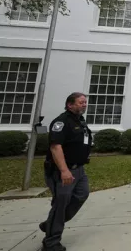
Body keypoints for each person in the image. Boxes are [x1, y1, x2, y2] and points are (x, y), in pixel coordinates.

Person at [40, 92, 92, 251]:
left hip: (79, 170)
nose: (84, 104)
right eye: (80, 102)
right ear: (70, 105)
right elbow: (55, 147)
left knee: (82, 194)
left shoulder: (80, 121)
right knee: (60, 205)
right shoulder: (61, 122)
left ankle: (51, 223)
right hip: (63, 172)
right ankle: (51, 242)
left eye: (85, 102)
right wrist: (63, 170)